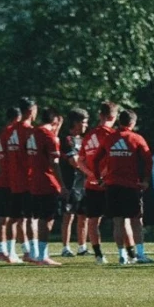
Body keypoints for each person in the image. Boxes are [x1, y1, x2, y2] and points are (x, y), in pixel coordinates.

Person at [93, 109, 152, 265]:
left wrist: (99, 178)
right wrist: (145, 180)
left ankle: (122, 255)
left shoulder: (109, 139)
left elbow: (95, 159)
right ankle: (140, 254)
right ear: (132, 123)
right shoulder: (136, 138)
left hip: (112, 185)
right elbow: (148, 161)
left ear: (119, 122)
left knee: (118, 221)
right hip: (131, 185)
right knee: (136, 221)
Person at [80, 101, 117, 264]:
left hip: (91, 183)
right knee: (121, 219)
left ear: (100, 115)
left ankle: (98, 255)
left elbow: (80, 160)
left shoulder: (88, 135)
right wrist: (102, 176)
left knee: (93, 220)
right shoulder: (111, 134)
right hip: (109, 183)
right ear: (113, 117)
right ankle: (128, 254)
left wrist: (91, 175)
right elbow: (113, 159)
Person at [27, 107, 64, 266]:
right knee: (47, 219)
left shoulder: (33, 133)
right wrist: (62, 185)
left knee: (36, 218)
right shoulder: (50, 137)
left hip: (33, 180)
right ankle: (43, 255)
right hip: (47, 181)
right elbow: (54, 162)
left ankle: (35, 253)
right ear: (55, 120)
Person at [6, 97, 38, 263]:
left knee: (14, 219)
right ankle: (32, 252)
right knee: (30, 218)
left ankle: (11, 253)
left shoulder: (10, 130)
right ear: (31, 111)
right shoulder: (29, 131)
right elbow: (33, 156)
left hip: (13, 180)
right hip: (27, 180)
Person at [59, 108, 89, 257]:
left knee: (83, 215)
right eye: (84, 122)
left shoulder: (84, 140)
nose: (86, 125)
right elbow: (74, 161)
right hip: (70, 182)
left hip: (83, 183)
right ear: (76, 123)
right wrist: (90, 171)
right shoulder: (66, 139)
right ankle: (66, 247)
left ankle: (82, 246)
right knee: (68, 215)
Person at [0, 107, 21, 263]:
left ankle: (4, 251)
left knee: (6, 217)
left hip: (4, 179)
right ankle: (6, 251)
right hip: (12, 181)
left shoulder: (3, 133)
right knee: (10, 218)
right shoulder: (13, 132)